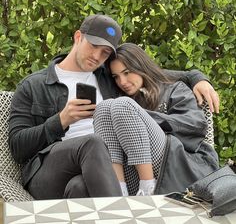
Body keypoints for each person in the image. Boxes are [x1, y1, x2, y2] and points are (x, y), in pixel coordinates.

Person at [9, 14, 219, 200]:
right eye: (93, 46)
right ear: (78, 37)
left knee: (79, 187)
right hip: (49, 172)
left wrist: (198, 78)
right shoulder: (33, 85)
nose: (97, 57)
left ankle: (120, 199)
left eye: (105, 53)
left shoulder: (109, 78)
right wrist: (61, 120)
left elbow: (152, 74)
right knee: (92, 143)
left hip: (100, 173)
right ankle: (125, 211)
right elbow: (18, 148)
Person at [93, 43, 219, 196]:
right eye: (116, 77)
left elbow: (195, 125)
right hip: (133, 175)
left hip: (179, 165)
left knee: (122, 105)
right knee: (103, 108)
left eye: (127, 73)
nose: (123, 82)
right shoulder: (124, 99)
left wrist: (143, 116)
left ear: (140, 67)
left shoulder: (174, 88)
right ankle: (119, 190)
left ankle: (148, 189)